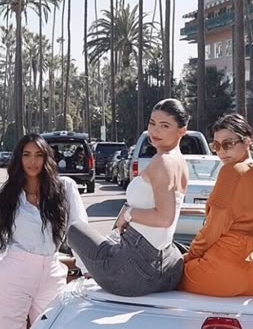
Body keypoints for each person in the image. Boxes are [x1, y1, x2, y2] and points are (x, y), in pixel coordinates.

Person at [0, 133, 88, 329]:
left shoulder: (64, 188)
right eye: (26, 155)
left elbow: (79, 231)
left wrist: (88, 272)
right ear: (19, 159)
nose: (32, 161)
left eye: (39, 155)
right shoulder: (9, 194)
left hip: (51, 271)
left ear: (47, 158)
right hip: (14, 272)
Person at [67, 98, 188, 296]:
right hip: (166, 268)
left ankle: (89, 272)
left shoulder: (164, 162)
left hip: (133, 273)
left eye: (164, 126)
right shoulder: (179, 161)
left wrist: (129, 213)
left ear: (182, 130)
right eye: (152, 123)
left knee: (74, 229)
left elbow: (165, 218)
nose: (155, 131)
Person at [179, 114, 253, 297]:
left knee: (162, 276)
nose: (221, 151)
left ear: (247, 141)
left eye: (228, 144)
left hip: (223, 269)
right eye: (216, 146)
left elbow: (214, 227)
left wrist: (188, 258)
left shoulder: (231, 171)